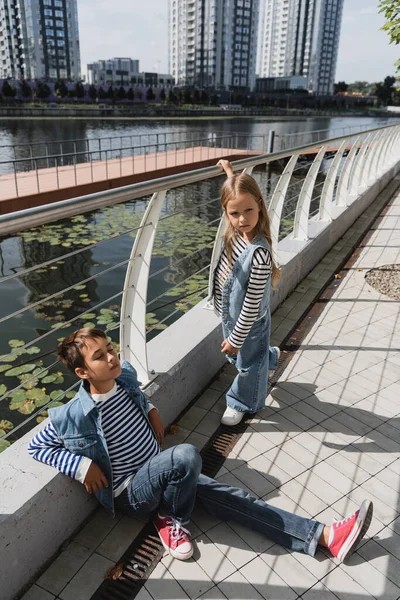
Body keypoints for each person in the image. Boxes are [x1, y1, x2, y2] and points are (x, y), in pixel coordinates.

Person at [28, 328, 373, 563]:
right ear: (83, 373)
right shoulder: (73, 414)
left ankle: (325, 537)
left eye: (110, 349)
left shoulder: (125, 375)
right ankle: (169, 516)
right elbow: (38, 447)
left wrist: (150, 408)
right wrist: (82, 466)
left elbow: (137, 394)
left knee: (237, 499)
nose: (112, 358)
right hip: (132, 491)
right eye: (100, 357)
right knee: (186, 454)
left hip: (162, 471)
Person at [212, 159, 280, 426]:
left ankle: (242, 402)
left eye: (249, 210)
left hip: (249, 323)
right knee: (244, 356)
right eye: (234, 213)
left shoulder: (259, 254)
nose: (242, 219)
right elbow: (236, 195)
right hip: (232, 316)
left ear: (260, 205)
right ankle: (269, 356)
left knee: (247, 364)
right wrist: (229, 173)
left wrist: (236, 339)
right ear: (226, 213)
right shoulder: (237, 230)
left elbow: (252, 305)